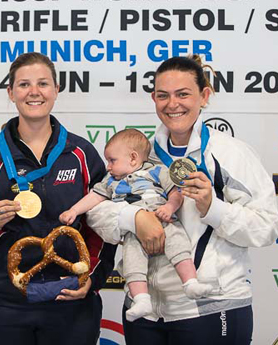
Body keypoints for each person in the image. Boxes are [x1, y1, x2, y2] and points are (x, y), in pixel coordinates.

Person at [86, 55, 278, 344]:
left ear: (204, 96)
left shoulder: (230, 154)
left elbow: (268, 227)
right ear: (153, 98)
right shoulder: (138, 154)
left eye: (183, 94)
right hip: (145, 310)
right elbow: (97, 213)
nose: (172, 104)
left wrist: (213, 208)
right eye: (163, 95)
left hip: (211, 307)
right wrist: (134, 219)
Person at [0, 52, 116, 345]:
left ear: (56, 90)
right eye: (23, 84)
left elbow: (106, 228)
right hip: (0, 303)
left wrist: (92, 281)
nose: (34, 92)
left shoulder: (81, 155)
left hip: (70, 301)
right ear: (10, 92)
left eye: (43, 83)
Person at [59, 128, 215, 323]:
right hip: (134, 233)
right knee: (132, 262)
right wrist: (74, 211)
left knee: (179, 246)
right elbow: (94, 197)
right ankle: (141, 300)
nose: (108, 167)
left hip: (164, 220)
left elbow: (176, 193)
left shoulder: (158, 171)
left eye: (112, 160)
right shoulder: (110, 182)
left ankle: (191, 283)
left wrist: (169, 206)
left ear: (133, 158)